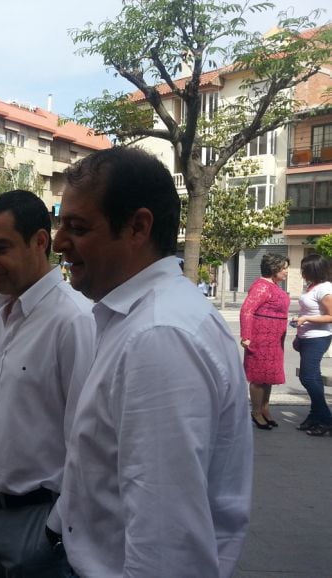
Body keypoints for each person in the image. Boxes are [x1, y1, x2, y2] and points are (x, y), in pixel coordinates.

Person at [49, 147, 252, 578]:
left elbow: (166, 544)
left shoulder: (158, 335)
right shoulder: (133, 318)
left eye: (77, 227)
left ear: (138, 226)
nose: (58, 243)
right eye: (60, 224)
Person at [0, 189, 96, 577]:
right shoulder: (0, 310)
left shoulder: (75, 320)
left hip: (39, 522)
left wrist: (55, 526)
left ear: (40, 241)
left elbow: (89, 441)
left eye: (1, 247)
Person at [239, 253, 290, 430]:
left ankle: (265, 409)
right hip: (261, 338)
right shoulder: (261, 286)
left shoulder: (273, 286)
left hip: (274, 339)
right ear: (274, 269)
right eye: (284, 268)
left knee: (268, 377)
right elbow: (247, 310)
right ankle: (256, 412)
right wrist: (246, 336)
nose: (286, 272)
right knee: (259, 377)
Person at [292, 253, 332, 436]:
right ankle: (315, 416)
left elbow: (331, 316)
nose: (302, 272)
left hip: (318, 337)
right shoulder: (312, 287)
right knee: (310, 377)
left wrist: (306, 318)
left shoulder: (325, 289)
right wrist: (300, 325)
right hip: (306, 336)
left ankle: (325, 419)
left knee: (308, 377)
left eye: (304, 269)